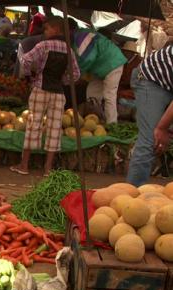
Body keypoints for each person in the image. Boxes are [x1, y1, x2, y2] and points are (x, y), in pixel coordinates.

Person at [11, 16, 80, 176]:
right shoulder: (69, 50)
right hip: (58, 93)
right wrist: (63, 80)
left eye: (47, 28)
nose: (46, 32)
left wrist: (31, 75)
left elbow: (25, 60)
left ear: (56, 29)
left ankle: (24, 165)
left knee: (33, 124)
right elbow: (75, 74)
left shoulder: (44, 45)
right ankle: (48, 169)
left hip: (40, 90)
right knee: (54, 128)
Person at [127, 45, 173, 186]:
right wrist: (162, 128)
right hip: (151, 80)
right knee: (151, 139)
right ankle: (133, 195)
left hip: (169, 82)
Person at [70, 22, 127, 124]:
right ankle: (96, 119)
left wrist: (77, 75)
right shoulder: (75, 40)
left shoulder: (82, 36)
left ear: (69, 30)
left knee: (109, 95)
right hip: (100, 68)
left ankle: (112, 124)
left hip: (112, 64)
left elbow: (87, 59)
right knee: (92, 93)